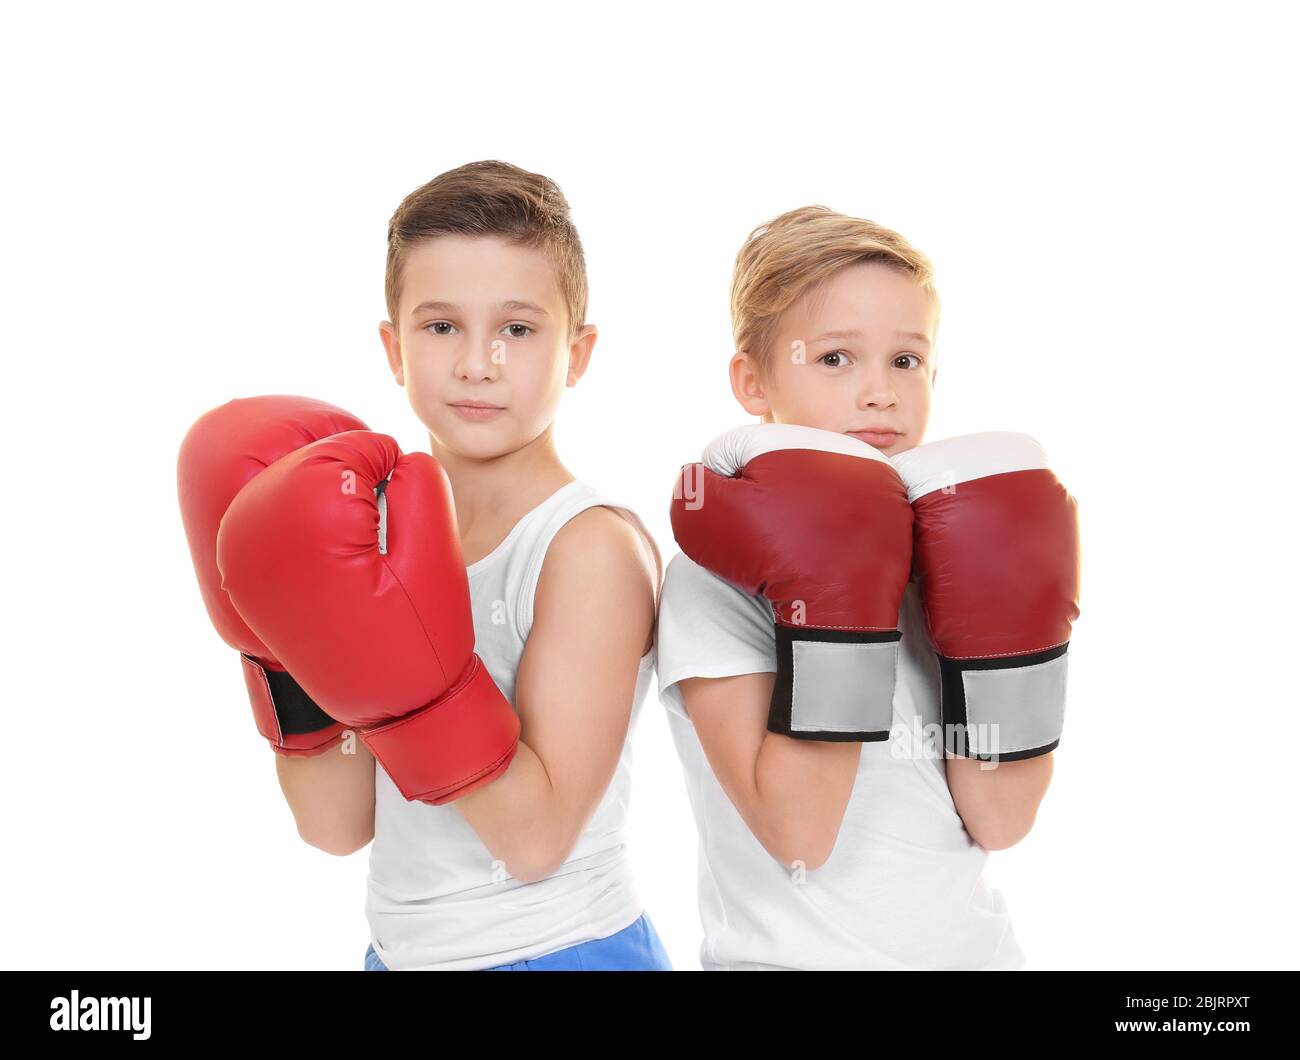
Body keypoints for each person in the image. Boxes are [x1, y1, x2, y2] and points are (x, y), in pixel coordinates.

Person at [179, 161, 671, 971]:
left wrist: (414, 682)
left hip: (562, 952)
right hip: (401, 954)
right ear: (394, 347)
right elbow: (334, 828)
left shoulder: (586, 550)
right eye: (441, 326)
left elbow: (536, 840)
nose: (479, 363)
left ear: (578, 353)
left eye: (518, 328)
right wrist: (276, 646)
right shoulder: (363, 533)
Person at [656, 205, 1078, 970]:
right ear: (753, 382)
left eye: (905, 361)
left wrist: (1015, 626)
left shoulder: (957, 548)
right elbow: (800, 834)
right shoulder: (711, 584)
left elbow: (1003, 819)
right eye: (836, 359)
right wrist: (839, 597)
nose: (879, 392)